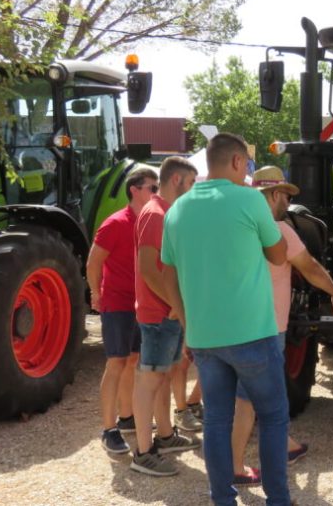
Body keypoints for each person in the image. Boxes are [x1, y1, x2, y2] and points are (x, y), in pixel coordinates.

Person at [160, 133, 291, 506]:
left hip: (204, 337)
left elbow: (168, 273)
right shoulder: (250, 200)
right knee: (273, 416)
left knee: (216, 421)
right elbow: (279, 256)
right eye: (247, 165)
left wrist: (186, 321)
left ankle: (222, 499)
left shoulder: (179, 209)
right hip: (253, 333)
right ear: (236, 162)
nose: (248, 173)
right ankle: (277, 499)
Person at [231, 166, 333, 486]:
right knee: (270, 401)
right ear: (272, 195)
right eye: (285, 195)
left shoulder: (237, 228)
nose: (288, 201)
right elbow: (310, 268)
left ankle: (240, 464)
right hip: (269, 328)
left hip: (239, 326)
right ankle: (276, 478)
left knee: (245, 399)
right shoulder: (279, 231)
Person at [130, 156, 200, 477]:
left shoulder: (166, 213)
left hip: (168, 311)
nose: (193, 189)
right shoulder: (156, 215)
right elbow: (147, 267)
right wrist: (175, 302)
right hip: (159, 313)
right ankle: (143, 452)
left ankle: (166, 435)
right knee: (150, 381)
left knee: (164, 376)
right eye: (192, 183)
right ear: (177, 181)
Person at [87, 167, 158, 454]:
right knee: (116, 363)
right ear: (135, 190)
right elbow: (93, 263)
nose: (156, 193)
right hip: (117, 304)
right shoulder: (115, 223)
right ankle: (108, 428)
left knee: (134, 360)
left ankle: (127, 417)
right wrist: (96, 292)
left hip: (142, 304)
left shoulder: (150, 222)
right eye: (152, 188)